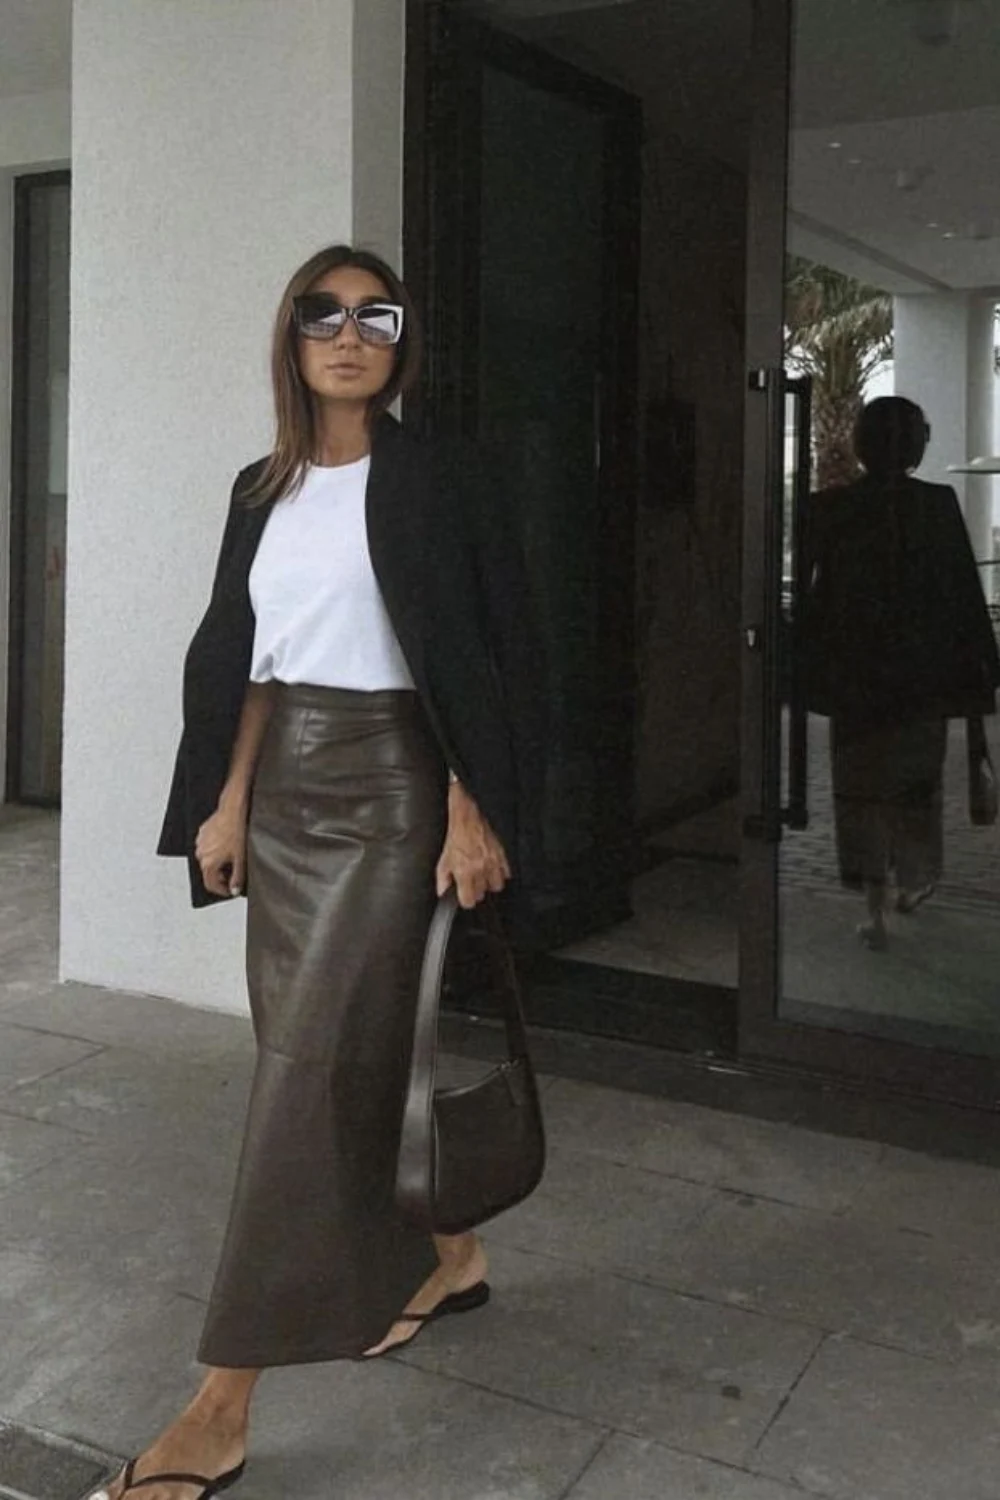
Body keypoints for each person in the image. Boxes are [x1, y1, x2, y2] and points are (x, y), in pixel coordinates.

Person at [92, 245, 545, 1500]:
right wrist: (225, 805)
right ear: (290, 337)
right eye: (323, 314)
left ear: (401, 341)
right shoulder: (262, 485)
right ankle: (449, 1254)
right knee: (331, 1059)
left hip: (400, 789)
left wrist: (473, 803)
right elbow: (251, 657)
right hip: (285, 786)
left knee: (300, 1081)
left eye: (375, 315)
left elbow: (500, 652)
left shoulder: (441, 477)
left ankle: (219, 1403)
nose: (349, 334)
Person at [805, 396, 1000, 950]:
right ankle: (914, 879)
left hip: (855, 682)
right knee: (916, 790)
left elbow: (817, 604)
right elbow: (963, 592)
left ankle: (873, 903)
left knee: (859, 792)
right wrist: (981, 672)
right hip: (921, 681)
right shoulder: (937, 506)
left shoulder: (830, 508)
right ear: (916, 445)